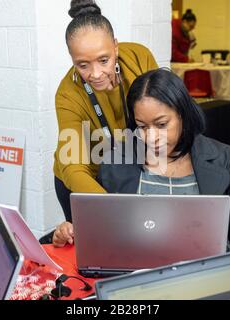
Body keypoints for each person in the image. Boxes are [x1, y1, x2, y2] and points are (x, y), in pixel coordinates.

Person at [53, 68, 230, 258]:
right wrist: (71, 231)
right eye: (142, 127)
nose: (151, 137)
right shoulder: (118, 160)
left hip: (204, 275)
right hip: (134, 276)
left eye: (161, 124)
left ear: (183, 114)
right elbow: (100, 231)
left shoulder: (224, 159)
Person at [43, 0, 158, 243]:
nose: (95, 74)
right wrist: (114, 208)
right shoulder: (67, 94)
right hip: (90, 181)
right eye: (82, 65)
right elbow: (73, 168)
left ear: (115, 47)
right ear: (72, 58)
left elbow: (163, 110)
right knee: (99, 247)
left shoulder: (139, 56)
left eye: (104, 60)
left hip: (131, 170)